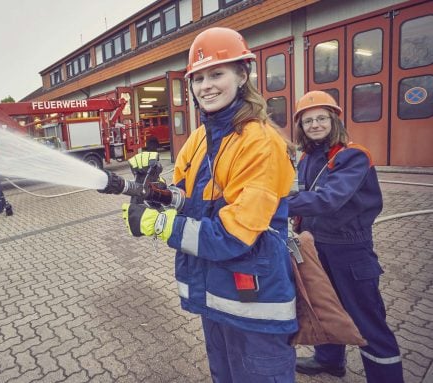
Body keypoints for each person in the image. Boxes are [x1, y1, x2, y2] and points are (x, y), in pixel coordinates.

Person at [122, 27, 297, 382]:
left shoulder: (260, 143)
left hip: (256, 304)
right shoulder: (201, 138)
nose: (207, 86)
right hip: (216, 294)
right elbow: (189, 199)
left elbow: (233, 235)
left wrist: (157, 225)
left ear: (242, 75)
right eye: (198, 78)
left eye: (217, 74)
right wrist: (155, 190)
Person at [287, 90, 404, 382]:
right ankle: (329, 361)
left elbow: (329, 199)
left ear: (334, 120)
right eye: (308, 120)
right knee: (324, 305)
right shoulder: (307, 158)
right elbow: (301, 193)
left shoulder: (353, 155)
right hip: (315, 245)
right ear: (301, 126)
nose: (315, 125)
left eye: (321, 118)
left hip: (350, 250)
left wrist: (276, 205)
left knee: (367, 321)